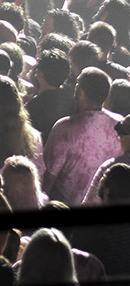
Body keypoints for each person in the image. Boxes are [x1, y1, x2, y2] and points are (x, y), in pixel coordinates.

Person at [43, 67, 123, 205]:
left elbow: (48, 178)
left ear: (81, 92)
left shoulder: (65, 127)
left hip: (62, 208)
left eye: (77, 83)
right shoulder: (119, 124)